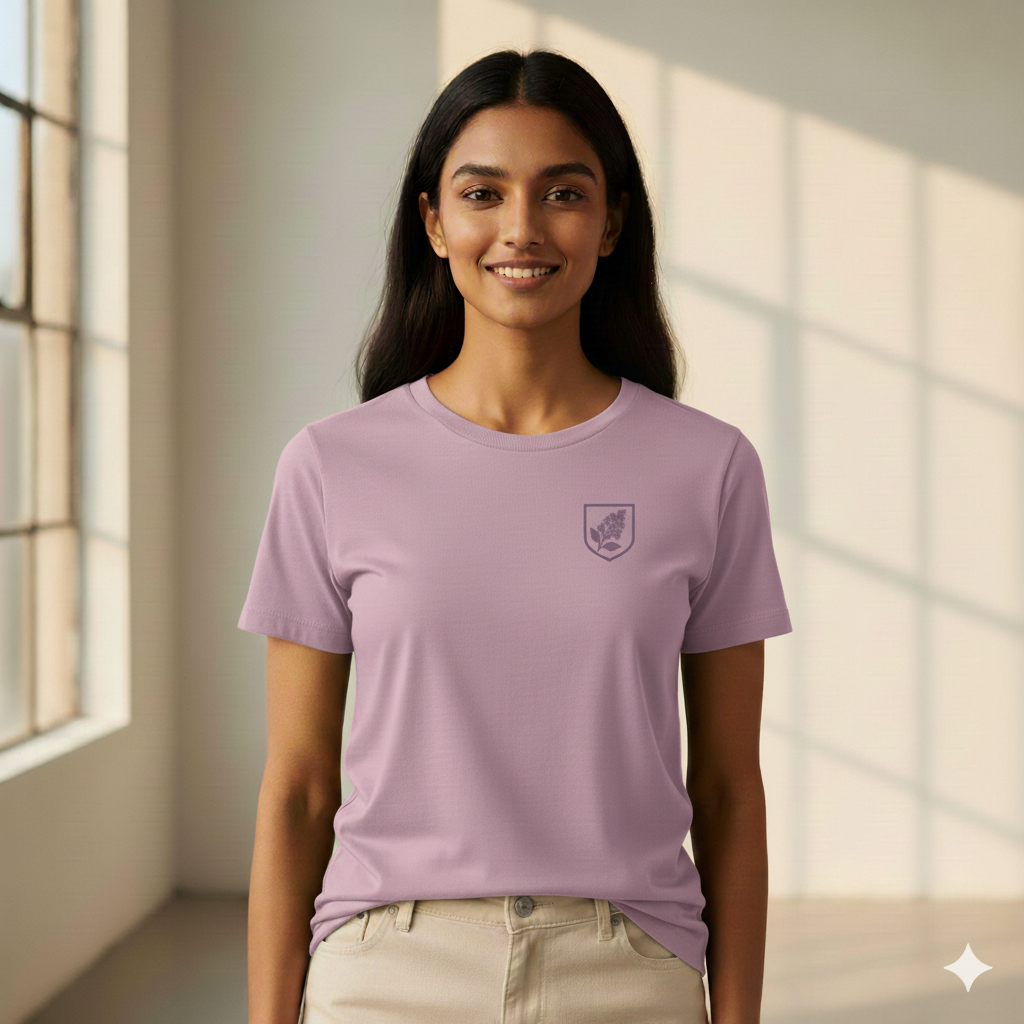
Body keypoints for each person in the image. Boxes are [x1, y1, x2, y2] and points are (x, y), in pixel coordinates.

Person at [240, 48, 792, 1024]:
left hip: (627, 969)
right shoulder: (331, 465)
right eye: (482, 193)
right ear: (434, 222)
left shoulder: (706, 468)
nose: (521, 229)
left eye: (563, 193)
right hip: (386, 970)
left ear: (612, 220)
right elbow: (297, 788)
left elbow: (728, 789)